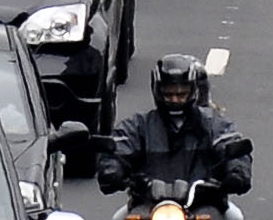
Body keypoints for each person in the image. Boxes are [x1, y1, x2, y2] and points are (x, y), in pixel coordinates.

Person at [105, 55, 255, 210]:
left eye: (181, 94)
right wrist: (111, 170)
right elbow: (120, 146)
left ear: (193, 92)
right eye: (168, 94)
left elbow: (230, 144)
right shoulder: (139, 125)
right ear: (157, 91)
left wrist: (236, 173)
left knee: (235, 216)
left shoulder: (213, 124)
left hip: (205, 203)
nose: (175, 100)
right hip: (148, 204)